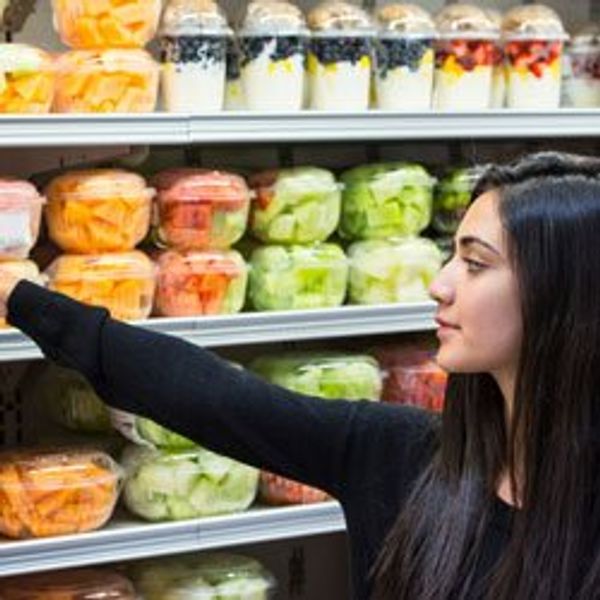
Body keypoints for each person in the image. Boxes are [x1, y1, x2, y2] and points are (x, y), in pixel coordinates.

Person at [1, 151, 599, 600]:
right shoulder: (400, 458)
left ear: (564, 295)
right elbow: (215, 399)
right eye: (450, 257)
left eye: (474, 264)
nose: (439, 284)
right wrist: (23, 299)